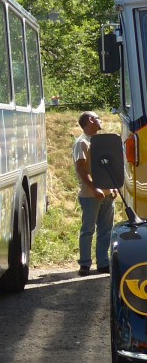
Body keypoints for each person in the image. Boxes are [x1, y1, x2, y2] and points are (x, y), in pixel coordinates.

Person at [73, 111, 115, 275]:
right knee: (88, 230)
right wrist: (94, 188)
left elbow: (108, 166)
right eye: (98, 118)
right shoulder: (82, 142)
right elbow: (81, 169)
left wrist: (111, 187)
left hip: (107, 193)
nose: (100, 120)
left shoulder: (99, 141)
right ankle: (85, 264)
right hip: (90, 195)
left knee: (106, 230)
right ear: (90, 120)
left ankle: (103, 263)